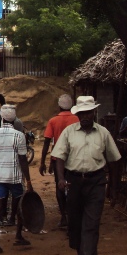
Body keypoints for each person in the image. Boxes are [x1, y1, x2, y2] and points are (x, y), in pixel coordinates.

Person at [51, 96, 121, 255]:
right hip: (74, 182)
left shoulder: (103, 133)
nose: (85, 116)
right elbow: (59, 157)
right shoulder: (69, 132)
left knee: (91, 223)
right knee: (75, 223)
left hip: (96, 181)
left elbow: (114, 161)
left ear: (94, 113)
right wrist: (61, 179)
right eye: (82, 113)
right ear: (78, 114)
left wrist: (113, 188)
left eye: (88, 112)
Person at [0, 104, 33, 255]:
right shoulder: (19, 136)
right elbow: (23, 160)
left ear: (1, 118)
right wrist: (29, 181)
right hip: (15, 177)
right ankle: (18, 235)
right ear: (14, 120)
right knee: (19, 205)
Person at [39, 94, 80, 229]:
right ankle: (74, 214)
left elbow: (46, 142)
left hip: (58, 160)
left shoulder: (53, 121)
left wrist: (43, 162)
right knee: (74, 186)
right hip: (74, 158)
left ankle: (63, 216)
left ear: (59, 106)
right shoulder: (77, 119)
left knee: (59, 186)